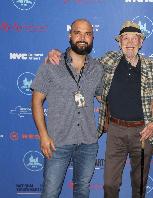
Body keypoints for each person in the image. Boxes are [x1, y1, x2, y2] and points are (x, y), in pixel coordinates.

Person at [45, 20, 153, 198]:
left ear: (141, 42)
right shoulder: (107, 60)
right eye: (125, 38)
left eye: (135, 38)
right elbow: (80, 60)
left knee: (139, 185)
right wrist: (57, 55)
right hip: (115, 130)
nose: (130, 42)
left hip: (143, 131)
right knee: (109, 184)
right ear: (119, 42)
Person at [31, 19, 104, 198]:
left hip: (88, 142)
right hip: (58, 142)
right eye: (78, 32)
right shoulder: (51, 64)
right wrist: (43, 136)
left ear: (92, 38)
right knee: (50, 192)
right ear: (69, 35)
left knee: (82, 190)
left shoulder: (97, 68)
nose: (82, 37)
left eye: (87, 34)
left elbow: (103, 97)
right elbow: (36, 101)